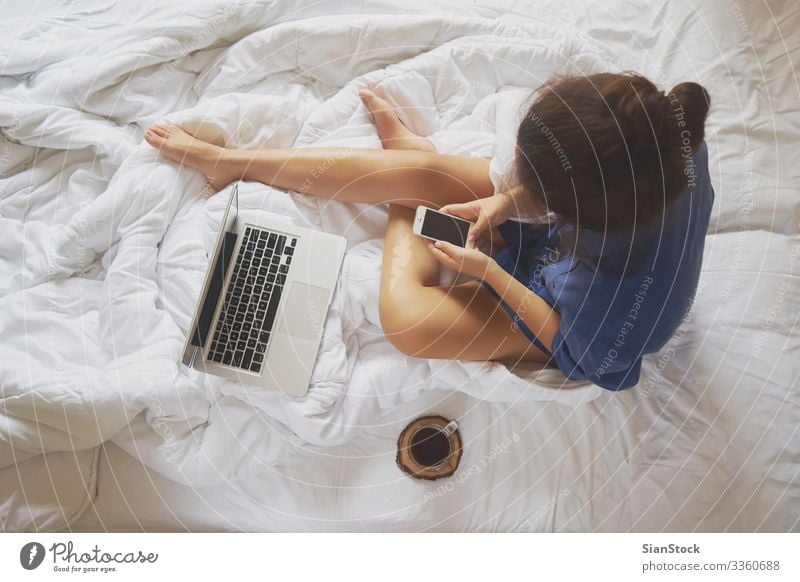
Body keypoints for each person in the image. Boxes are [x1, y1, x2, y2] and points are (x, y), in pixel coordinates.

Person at [144, 72, 713, 390]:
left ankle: (407, 183)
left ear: (573, 211)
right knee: (427, 175)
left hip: (570, 320)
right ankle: (234, 162)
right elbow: (560, 181)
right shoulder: (654, 133)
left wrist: (488, 270)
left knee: (408, 323)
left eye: (528, 183)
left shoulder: (619, 302)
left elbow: (574, 345)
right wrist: (507, 202)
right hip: (583, 224)